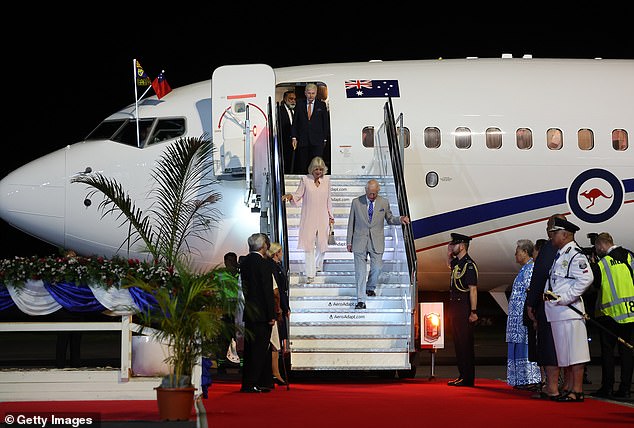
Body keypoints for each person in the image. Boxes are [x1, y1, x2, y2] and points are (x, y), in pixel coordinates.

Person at [544, 217, 594, 402]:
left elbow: (586, 279)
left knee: (575, 353)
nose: (551, 236)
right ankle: (571, 388)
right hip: (559, 312)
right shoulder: (561, 254)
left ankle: (577, 391)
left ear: (564, 235)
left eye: (554, 233)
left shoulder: (575, 254)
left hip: (570, 311)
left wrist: (565, 298)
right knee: (565, 354)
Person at [346, 179, 410, 310]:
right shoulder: (356, 202)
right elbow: (351, 222)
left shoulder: (384, 202)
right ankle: (360, 300)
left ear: (378, 191)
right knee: (360, 272)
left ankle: (370, 287)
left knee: (377, 267)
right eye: (370, 193)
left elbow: (390, 218)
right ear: (366, 191)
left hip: (377, 241)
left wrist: (400, 219)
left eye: (374, 193)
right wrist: (349, 241)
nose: (372, 196)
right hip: (359, 241)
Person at [525, 214, 566, 399]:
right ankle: (571, 388)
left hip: (549, 306)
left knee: (549, 347)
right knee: (567, 348)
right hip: (569, 307)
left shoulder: (549, 250)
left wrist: (531, 304)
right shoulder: (573, 250)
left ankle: (552, 387)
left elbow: (539, 278)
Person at [589, 232, 633, 399]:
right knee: (627, 352)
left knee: (608, 353)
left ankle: (607, 387)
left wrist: (593, 264)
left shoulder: (603, 263)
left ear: (601, 245)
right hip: (630, 312)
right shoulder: (630, 256)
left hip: (610, 315)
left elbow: (596, 286)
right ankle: (625, 388)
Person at [282, 156, 334, 283]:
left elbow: (329, 200)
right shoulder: (305, 180)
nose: (318, 172)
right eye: (316, 169)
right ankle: (310, 274)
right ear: (311, 169)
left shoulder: (327, 181)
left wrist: (331, 217)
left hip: (323, 218)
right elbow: (298, 195)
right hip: (309, 217)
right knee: (309, 246)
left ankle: (317, 265)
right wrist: (290, 196)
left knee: (322, 246)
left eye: (321, 169)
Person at [239, 233, 276, 393]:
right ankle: (253, 382)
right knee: (260, 350)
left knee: (250, 349)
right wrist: (271, 315)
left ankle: (253, 381)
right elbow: (267, 291)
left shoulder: (245, 262)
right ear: (263, 246)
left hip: (249, 311)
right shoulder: (263, 264)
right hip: (262, 314)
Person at [506, 239, 542, 388]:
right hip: (517, 318)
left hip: (523, 317)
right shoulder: (524, 269)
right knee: (518, 345)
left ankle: (528, 379)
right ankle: (520, 379)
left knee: (525, 346)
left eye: (518, 252)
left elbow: (530, 293)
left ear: (525, 252)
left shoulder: (530, 269)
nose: (515, 254)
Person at [446, 233, 478, 387]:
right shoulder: (458, 264)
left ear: (463, 246)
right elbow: (449, 264)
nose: (453, 246)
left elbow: (473, 290)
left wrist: (473, 311)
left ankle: (468, 378)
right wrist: (448, 252)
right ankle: (462, 375)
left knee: (465, 344)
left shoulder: (469, 265)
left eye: (455, 244)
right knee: (458, 344)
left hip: (464, 308)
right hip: (455, 308)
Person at [290, 83, 331, 174]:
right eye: (309, 93)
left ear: (316, 93)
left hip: (317, 141)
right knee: (303, 164)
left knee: (316, 164)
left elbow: (325, 123)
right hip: (303, 140)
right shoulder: (300, 104)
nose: (311, 95)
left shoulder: (321, 105)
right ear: (305, 93)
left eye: (313, 93)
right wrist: (294, 137)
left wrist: (324, 138)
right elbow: (295, 122)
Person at [267, 242, 290, 386]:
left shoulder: (277, 267)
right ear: (277, 253)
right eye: (280, 252)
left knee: (278, 340)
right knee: (275, 341)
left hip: (280, 303)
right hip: (277, 306)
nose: (282, 255)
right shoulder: (273, 267)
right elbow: (277, 291)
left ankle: (276, 371)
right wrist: (282, 307)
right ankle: (275, 372)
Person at [278, 90, 297, 173]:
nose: (293, 101)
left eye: (294, 99)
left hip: (295, 140)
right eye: (291, 98)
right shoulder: (279, 110)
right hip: (284, 141)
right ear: (285, 99)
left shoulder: (296, 110)